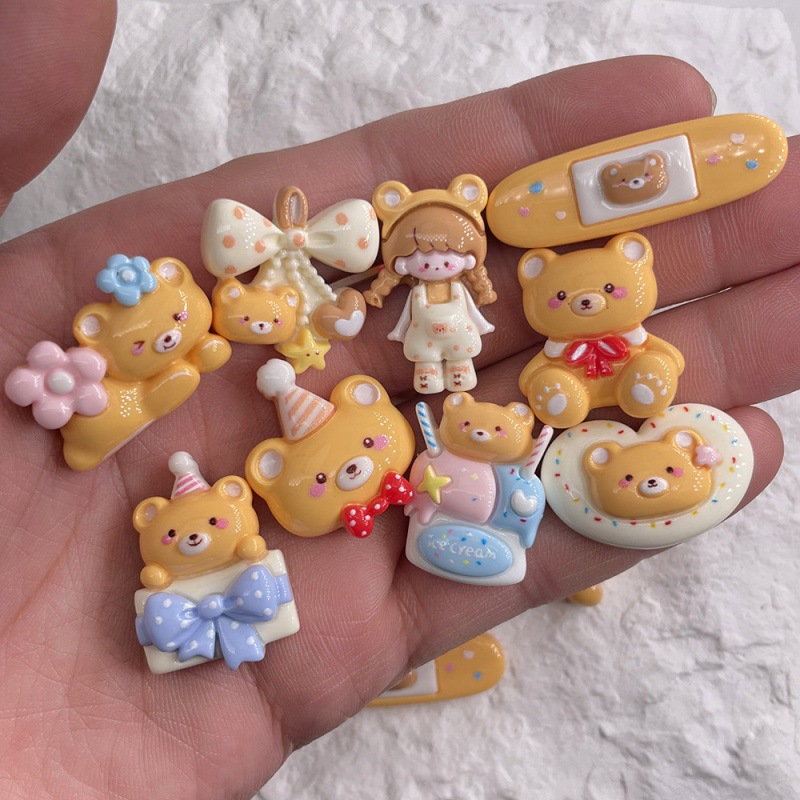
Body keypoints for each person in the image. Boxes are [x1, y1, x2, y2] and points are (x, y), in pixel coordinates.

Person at [0, 3, 796, 798]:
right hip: (407, 412)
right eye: (426, 252)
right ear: (252, 485)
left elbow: (478, 411)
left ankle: (585, 390)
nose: (438, 260)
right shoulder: (336, 461)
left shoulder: (460, 403)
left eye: (449, 252)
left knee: (464, 368)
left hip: (470, 397)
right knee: (438, 373)